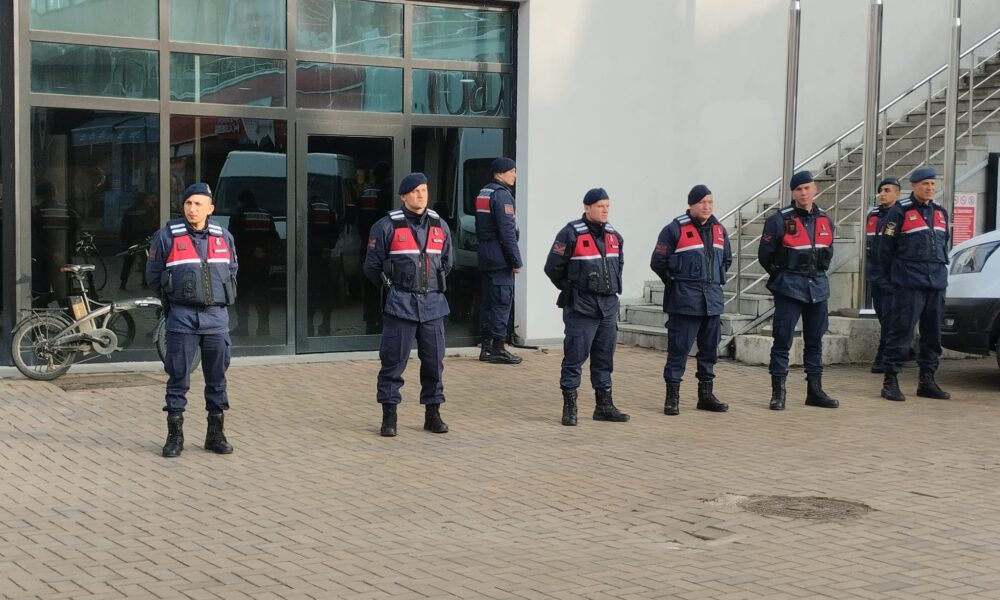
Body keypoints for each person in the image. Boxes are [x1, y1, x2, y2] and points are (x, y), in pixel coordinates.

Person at [146, 183, 239, 458]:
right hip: (182, 318)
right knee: (178, 377)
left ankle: (216, 434)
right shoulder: (166, 236)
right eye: (188, 203)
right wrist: (173, 302)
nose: (192, 209)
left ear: (210, 208)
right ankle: (175, 436)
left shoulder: (224, 237)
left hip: (216, 319)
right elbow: (153, 276)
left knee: (217, 378)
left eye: (198, 204)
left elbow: (232, 271)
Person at [363, 172, 454, 437]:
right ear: (404, 196)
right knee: (393, 363)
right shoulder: (386, 226)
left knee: (434, 363)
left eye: (424, 190)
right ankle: (389, 416)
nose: (421, 195)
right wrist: (393, 290)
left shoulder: (440, 225)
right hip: (400, 305)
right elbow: (372, 267)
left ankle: (433, 415)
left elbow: (447, 263)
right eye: (415, 191)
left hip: (433, 305)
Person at [544, 188, 629, 426]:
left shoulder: (614, 236)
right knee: (575, 357)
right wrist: (569, 288)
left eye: (607, 206)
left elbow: (619, 266)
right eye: (600, 206)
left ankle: (604, 406)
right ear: (587, 207)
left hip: (608, 307)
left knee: (604, 358)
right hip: (582, 306)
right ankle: (570, 408)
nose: (605, 210)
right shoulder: (570, 233)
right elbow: (552, 267)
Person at [757, 170, 838, 410]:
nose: (803, 193)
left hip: (818, 289)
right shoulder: (778, 220)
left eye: (807, 188)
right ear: (793, 193)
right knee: (782, 340)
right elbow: (765, 256)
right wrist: (782, 277)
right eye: (799, 189)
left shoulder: (825, 220)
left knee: (815, 341)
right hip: (790, 289)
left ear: (815, 189)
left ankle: (815, 391)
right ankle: (778, 393)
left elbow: (827, 253)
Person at [650, 184, 733, 415]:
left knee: (709, 351)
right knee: (678, 351)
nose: (707, 206)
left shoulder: (719, 230)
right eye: (702, 202)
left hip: (712, 302)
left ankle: (705, 396)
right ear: (691, 204)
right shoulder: (674, 229)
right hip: (684, 302)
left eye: (710, 202)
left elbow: (726, 260)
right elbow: (658, 262)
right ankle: (672, 398)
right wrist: (675, 283)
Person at [877, 166, 951, 402]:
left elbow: (944, 244)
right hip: (908, 283)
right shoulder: (899, 211)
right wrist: (890, 279)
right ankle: (890, 381)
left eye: (932, 184)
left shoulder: (940, 213)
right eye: (924, 184)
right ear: (914, 186)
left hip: (935, 283)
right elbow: (884, 249)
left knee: (932, 335)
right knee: (901, 332)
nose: (929, 188)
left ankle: (927, 381)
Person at [475, 157, 524, 364]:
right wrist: (516, 260)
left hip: (485, 253)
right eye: (512, 171)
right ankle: (498, 348)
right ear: (501, 173)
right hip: (499, 255)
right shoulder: (502, 195)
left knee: (488, 302)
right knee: (502, 302)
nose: (515, 175)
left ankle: (486, 348)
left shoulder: (484, 192)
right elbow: (507, 232)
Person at [228, 189, 278, 338]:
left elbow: (233, 240)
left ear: (241, 201)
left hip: (245, 263)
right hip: (262, 263)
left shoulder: (238, 215)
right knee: (262, 295)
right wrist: (265, 252)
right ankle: (263, 329)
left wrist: (251, 251)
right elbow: (274, 239)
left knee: (242, 295)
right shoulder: (267, 215)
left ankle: (243, 328)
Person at [865, 177, 901, 373]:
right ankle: (902, 349)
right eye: (881, 190)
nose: (882, 194)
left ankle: (883, 356)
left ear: (897, 193)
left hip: (892, 276)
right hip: (875, 274)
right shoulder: (873, 215)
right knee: (882, 316)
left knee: (889, 317)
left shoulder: (900, 214)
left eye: (887, 190)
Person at [359, 162, 393, 334]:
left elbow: (358, 219)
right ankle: (381, 322)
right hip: (384, 245)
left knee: (370, 284)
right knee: (385, 283)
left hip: (366, 243)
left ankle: (370, 322)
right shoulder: (387, 193)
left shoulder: (365, 192)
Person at [31, 182, 78, 306]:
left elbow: (33, 239)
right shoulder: (68, 211)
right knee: (64, 294)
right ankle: (68, 317)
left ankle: (42, 318)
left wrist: (50, 253)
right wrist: (64, 253)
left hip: (43, 260)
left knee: (41, 295)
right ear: (55, 193)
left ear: (38, 196)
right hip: (63, 259)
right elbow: (73, 237)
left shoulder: (36, 212)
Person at [306, 195, 339, 336]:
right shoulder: (328, 210)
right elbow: (335, 232)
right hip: (325, 257)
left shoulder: (308, 209)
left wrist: (317, 248)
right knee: (326, 292)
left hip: (311, 257)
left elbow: (305, 233)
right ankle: (325, 326)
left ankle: (308, 327)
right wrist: (327, 247)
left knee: (310, 292)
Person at [119, 192, 159, 291]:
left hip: (131, 239)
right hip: (144, 238)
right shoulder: (148, 211)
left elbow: (124, 228)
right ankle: (145, 283)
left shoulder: (129, 211)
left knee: (128, 262)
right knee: (146, 261)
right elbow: (152, 224)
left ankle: (123, 283)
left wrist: (124, 240)